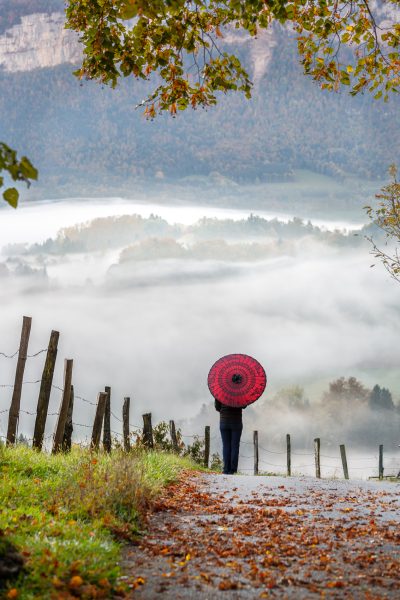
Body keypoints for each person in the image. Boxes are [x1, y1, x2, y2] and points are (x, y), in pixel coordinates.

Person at [215, 398, 245, 474]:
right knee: (235, 446)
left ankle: (226, 469)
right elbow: (244, 405)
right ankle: (233, 470)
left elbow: (217, 407)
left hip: (224, 422)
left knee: (226, 446)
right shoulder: (240, 391)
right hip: (236, 422)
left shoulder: (221, 391)